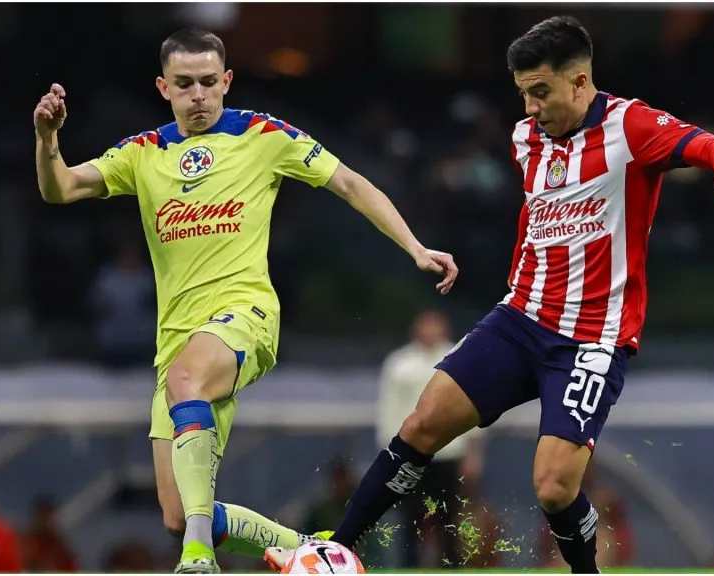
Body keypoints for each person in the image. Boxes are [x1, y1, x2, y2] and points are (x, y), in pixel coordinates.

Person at [267, 15, 714, 574]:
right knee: (423, 422)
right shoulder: (526, 137)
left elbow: (708, 144)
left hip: (591, 337)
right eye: (523, 93)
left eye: (540, 92)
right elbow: (539, 217)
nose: (529, 108)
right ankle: (336, 548)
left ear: (580, 81)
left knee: (552, 486)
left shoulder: (631, 126)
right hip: (521, 317)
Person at [33, 28, 458, 574]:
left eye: (209, 82)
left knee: (188, 415)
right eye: (184, 84)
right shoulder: (143, 153)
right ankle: (313, 551)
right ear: (163, 87)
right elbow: (60, 188)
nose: (199, 95)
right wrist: (48, 141)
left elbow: (350, 183)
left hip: (246, 316)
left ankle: (197, 560)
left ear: (226, 80)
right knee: (177, 511)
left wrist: (416, 247)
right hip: (176, 343)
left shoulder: (263, 134)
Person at [377, 310, 484, 567]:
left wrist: (473, 452)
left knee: (449, 518)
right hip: (410, 454)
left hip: (448, 453)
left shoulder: (458, 356)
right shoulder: (399, 363)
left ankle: (451, 567)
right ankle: (410, 568)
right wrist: (389, 454)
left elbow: (473, 406)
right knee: (410, 519)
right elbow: (388, 409)